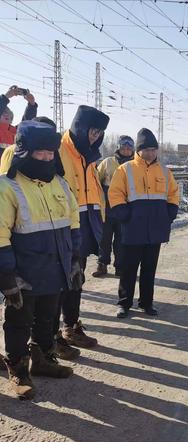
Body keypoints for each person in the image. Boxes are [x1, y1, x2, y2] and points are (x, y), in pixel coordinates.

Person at [0, 121, 81, 399]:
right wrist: (6, 276)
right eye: (40, 153)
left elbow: (73, 220)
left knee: (48, 318)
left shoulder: (59, 183)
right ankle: (19, 370)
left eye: (51, 153)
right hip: (24, 272)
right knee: (19, 320)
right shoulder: (7, 187)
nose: (47, 158)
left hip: (55, 267)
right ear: (24, 152)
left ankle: (44, 359)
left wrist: (74, 259)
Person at [54, 105, 110, 352]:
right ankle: (51, 335)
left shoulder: (88, 156)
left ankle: (71, 326)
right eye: (92, 131)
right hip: (62, 227)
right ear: (80, 126)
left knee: (76, 279)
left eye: (99, 133)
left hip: (84, 227)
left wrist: (102, 221)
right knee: (58, 283)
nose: (95, 136)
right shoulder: (59, 149)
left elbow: (94, 191)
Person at [109, 128, 179, 319]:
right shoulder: (125, 169)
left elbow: (173, 193)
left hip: (155, 228)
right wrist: (125, 215)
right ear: (138, 150)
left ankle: (146, 303)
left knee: (149, 268)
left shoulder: (165, 171)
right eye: (147, 149)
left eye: (154, 150)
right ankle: (124, 303)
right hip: (133, 228)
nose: (151, 153)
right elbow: (115, 193)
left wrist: (170, 213)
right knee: (128, 268)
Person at [92, 135, 135, 278]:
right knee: (104, 238)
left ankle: (120, 267)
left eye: (129, 148)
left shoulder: (135, 165)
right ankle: (102, 264)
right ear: (118, 148)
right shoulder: (108, 162)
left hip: (125, 207)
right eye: (124, 147)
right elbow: (96, 182)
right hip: (107, 208)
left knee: (121, 240)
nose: (127, 150)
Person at [0, 85, 38, 157]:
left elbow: (26, 124)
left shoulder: (14, 131)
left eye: (7, 113)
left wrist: (31, 104)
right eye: (3, 112)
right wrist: (6, 97)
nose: (6, 115)